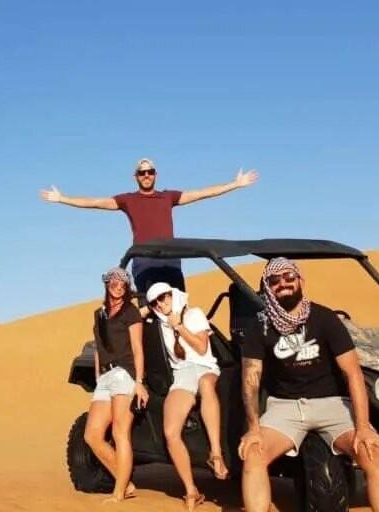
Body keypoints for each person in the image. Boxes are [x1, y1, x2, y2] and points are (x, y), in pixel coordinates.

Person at [238, 258, 379, 512]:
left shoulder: (324, 318)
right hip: (286, 407)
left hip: (332, 405)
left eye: (289, 277)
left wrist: (362, 428)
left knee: (374, 456)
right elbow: (251, 379)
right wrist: (254, 429)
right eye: (275, 280)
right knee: (253, 454)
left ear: (300, 281)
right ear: (268, 287)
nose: (283, 284)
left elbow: (353, 374)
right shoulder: (260, 326)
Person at [40, 158, 258, 292]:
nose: (146, 175)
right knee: (149, 309)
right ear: (135, 177)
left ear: (155, 175)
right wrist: (62, 198)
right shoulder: (128, 200)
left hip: (171, 260)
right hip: (144, 261)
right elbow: (95, 202)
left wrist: (235, 184)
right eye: (142, 172)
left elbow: (201, 193)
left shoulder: (168, 197)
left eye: (150, 171)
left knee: (178, 306)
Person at [146, 282, 228, 511]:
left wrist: (179, 326)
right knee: (170, 432)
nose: (160, 304)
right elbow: (134, 316)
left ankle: (216, 454)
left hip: (205, 368)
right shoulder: (159, 325)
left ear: (173, 294)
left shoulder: (194, 314)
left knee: (206, 386)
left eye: (163, 297)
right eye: (154, 302)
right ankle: (191, 490)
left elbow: (201, 348)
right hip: (182, 375)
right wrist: (147, 308)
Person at [83, 267, 149, 503]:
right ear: (107, 284)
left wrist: (139, 382)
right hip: (106, 376)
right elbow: (99, 346)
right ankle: (126, 483)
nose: (118, 287)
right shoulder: (99, 314)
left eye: (123, 284)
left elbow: (138, 348)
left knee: (120, 433)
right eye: (114, 283)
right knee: (92, 435)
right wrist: (98, 375)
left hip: (124, 374)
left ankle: (119, 493)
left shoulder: (130, 312)